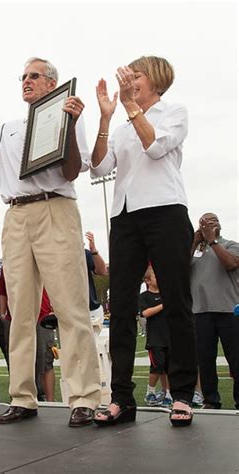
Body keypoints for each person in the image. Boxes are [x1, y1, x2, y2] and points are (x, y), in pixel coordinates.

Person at [0, 57, 101, 427]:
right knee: (20, 312)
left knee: (70, 307)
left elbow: (73, 170)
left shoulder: (68, 115)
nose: (26, 81)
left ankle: (84, 397)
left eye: (34, 76)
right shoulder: (8, 128)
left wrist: (71, 123)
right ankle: (23, 397)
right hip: (16, 214)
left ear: (52, 84)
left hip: (56, 207)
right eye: (23, 76)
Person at [90, 56, 197, 427]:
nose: (129, 80)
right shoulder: (120, 127)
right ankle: (121, 397)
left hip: (165, 212)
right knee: (119, 306)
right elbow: (99, 168)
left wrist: (131, 107)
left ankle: (182, 395)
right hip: (125, 217)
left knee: (178, 301)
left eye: (136, 75)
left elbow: (155, 146)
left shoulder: (173, 112)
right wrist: (106, 118)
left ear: (156, 80)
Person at [191, 212, 239, 409]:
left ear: (219, 225)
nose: (207, 226)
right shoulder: (195, 252)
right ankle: (211, 400)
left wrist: (213, 242)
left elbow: (231, 264)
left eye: (211, 222)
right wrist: (193, 243)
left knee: (236, 358)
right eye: (204, 223)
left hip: (229, 311)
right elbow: (180, 270)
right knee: (205, 359)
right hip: (201, 312)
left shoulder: (230, 245)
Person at [138, 267, 172, 408]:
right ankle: (150, 392)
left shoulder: (167, 293)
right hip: (155, 339)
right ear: (148, 280)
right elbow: (145, 313)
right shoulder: (144, 296)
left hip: (169, 337)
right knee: (157, 367)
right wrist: (163, 305)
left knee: (168, 368)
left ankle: (168, 394)